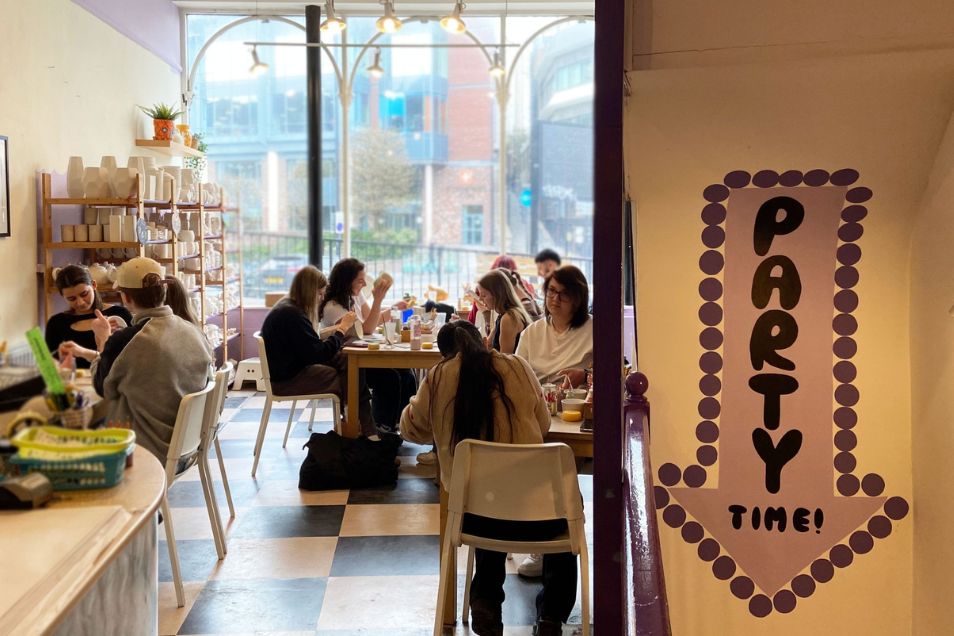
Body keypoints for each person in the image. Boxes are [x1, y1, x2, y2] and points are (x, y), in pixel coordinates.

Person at [400, 321, 576, 636]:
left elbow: (411, 428)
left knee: (485, 496)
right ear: (484, 339)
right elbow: (544, 424)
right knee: (551, 507)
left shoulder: (439, 377)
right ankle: (551, 615)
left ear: (444, 355)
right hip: (538, 519)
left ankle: (486, 600)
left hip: (472, 519)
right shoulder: (517, 366)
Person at [512, 264, 592, 580]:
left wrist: (583, 375)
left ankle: (555, 542)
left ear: (578, 299)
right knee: (534, 468)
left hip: (575, 418)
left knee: (558, 472)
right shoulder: (533, 332)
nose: (555, 299)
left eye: (564, 294)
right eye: (551, 291)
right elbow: (517, 376)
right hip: (538, 414)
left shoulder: (593, 330)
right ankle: (543, 543)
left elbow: (616, 371)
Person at [91, 257, 213, 463]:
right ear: (163, 292)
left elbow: (102, 387)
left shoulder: (127, 340)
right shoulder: (193, 331)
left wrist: (103, 341)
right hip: (191, 444)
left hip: (149, 449)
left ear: (126, 298)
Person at [261, 266, 376, 437]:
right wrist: (342, 329)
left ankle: (357, 425)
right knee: (352, 376)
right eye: (320, 294)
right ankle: (362, 430)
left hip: (287, 368)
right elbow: (319, 353)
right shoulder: (293, 315)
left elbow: (309, 343)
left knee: (348, 364)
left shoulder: (288, 307)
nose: (322, 298)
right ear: (310, 291)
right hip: (287, 379)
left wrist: (336, 330)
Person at [319, 258, 416, 433]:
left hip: (361, 353)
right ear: (347, 281)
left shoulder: (355, 296)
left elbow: (371, 321)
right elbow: (366, 329)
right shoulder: (333, 307)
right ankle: (380, 427)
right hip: (346, 362)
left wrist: (394, 308)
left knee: (406, 372)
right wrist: (378, 300)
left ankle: (400, 424)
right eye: (360, 280)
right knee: (389, 377)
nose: (364, 283)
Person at [46, 265, 132, 368]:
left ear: (94, 285)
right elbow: (49, 364)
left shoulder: (119, 314)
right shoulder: (56, 322)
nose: (80, 302)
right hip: (73, 382)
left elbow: (131, 358)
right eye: (71, 298)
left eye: (84, 294)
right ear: (63, 296)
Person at [476, 269, 531, 354]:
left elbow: (505, 359)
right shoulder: (503, 315)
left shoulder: (509, 318)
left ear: (497, 294)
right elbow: (489, 344)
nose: (480, 299)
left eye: (483, 295)